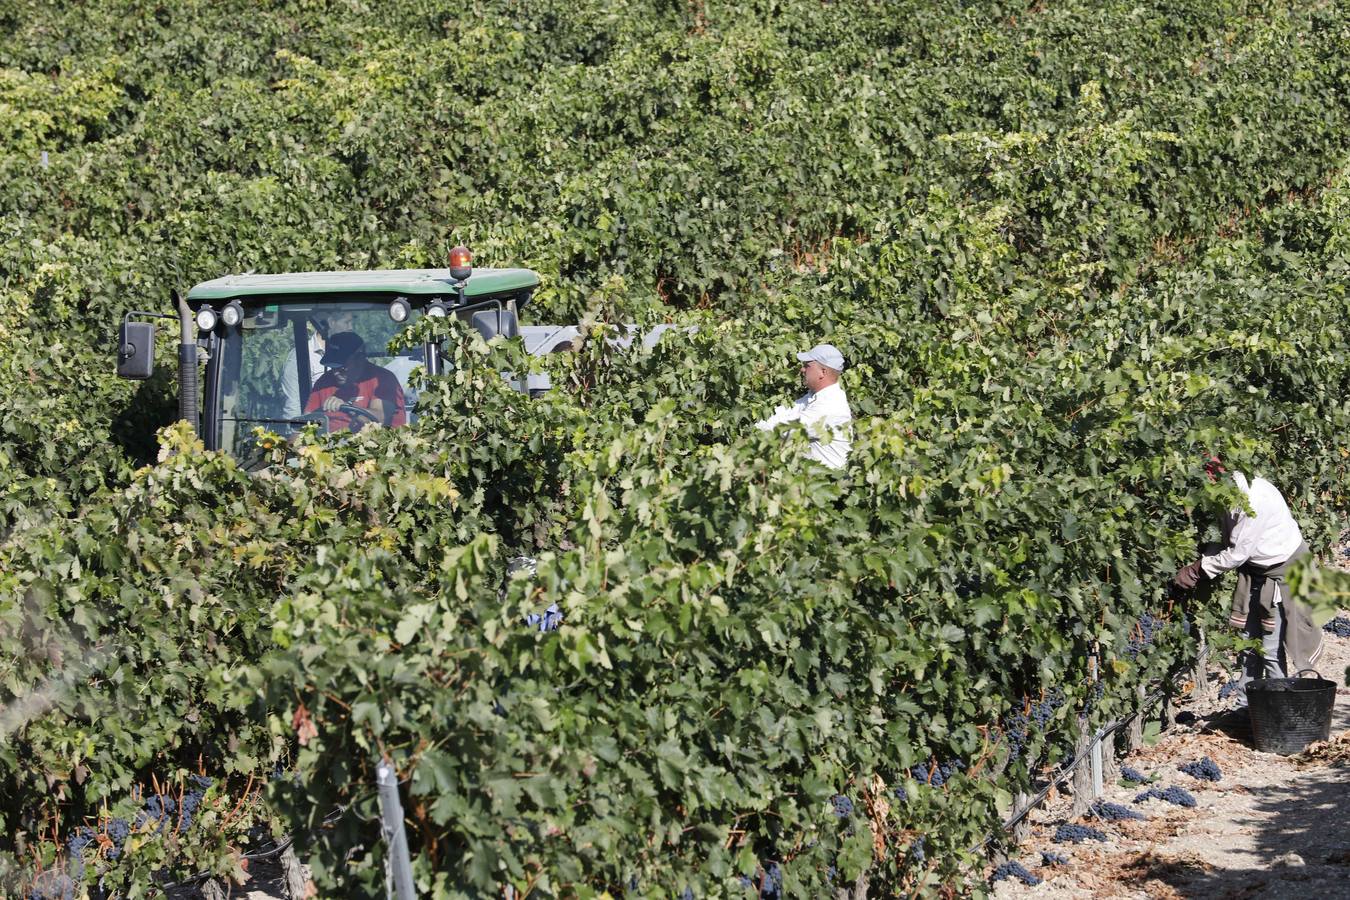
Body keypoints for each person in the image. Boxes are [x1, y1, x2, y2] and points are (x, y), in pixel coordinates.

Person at [1173, 458, 1325, 703]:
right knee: (1247, 642)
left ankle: (1278, 707)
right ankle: (1246, 706)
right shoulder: (1226, 494)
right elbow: (1227, 541)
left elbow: (1237, 554)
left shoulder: (1255, 500)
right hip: (1255, 570)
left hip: (1283, 574)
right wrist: (1204, 559)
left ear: (1220, 479)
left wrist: (1196, 571)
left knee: (1270, 647)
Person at [754, 343, 853, 469]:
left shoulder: (830, 406)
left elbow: (785, 430)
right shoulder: (814, 396)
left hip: (830, 478)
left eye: (807, 365)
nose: (802, 369)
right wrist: (758, 418)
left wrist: (753, 425)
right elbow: (784, 412)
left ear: (823, 372)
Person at [303, 332, 406, 432]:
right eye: (333, 367)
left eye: (342, 367)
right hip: (328, 442)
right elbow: (304, 423)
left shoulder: (382, 379)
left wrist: (348, 408)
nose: (336, 373)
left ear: (360, 359)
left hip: (373, 442)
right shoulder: (324, 382)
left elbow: (380, 419)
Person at [281, 310, 354, 419]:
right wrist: (298, 427)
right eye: (346, 322)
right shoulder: (301, 356)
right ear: (331, 322)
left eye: (352, 322)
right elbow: (293, 407)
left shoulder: (351, 353)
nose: (351, 327)